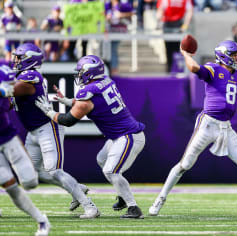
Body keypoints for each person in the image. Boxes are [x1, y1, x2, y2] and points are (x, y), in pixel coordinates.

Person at [149, 40, 237, 217]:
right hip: (208, 123)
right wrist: (186, 54)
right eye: (234, 54)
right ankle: (160, 199)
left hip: (226, 127)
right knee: (185, 164)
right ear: (223, 55)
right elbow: (195, 68)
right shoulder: (213, 68)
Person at [35, 55, 146, 219]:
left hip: (128, 137)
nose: (79, 75)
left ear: (89, 73)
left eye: (81, 72)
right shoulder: (105, 82)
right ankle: (122, 196)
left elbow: (68, 120)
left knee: (111, 171)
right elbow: (90, 103)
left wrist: (48, 111)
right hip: (120, 136)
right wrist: (66, 100)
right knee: (102, 160)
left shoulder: (88, 93)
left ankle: (133, 208)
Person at [10, 43, 99, 219]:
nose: (16, 60)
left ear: (29, 59)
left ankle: (90, 207)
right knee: (33, 172)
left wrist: (4, 89)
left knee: (54, 170)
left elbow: (17, 88)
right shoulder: (24, 75)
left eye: (19, 57)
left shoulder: (31, 75)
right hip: (33, 132)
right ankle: (77, 188)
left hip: (48, 128)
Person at [0, 65, 50, 236]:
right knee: (8, 184)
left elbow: (10, 92)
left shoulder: (3, 71)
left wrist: (5, 90)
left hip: (6, 136)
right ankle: (42, 221)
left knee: (30, 182)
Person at [156, 0, 193, 72]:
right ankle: (172, 70)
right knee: (173, 50)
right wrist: (185, 25)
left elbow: (160, 11)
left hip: (175, 25)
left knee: (173, 50)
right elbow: (189, 12)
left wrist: (158, 21)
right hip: (170, 25)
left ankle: (172, 70)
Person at [106, 0, 134, 75]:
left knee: (113, 49)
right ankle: (110, 69)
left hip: (119, 31)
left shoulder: (123, 4)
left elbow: (132, 13)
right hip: (108, 31)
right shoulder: (107, 5)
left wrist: (122, 15)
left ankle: (114, 69)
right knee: (108, 50)